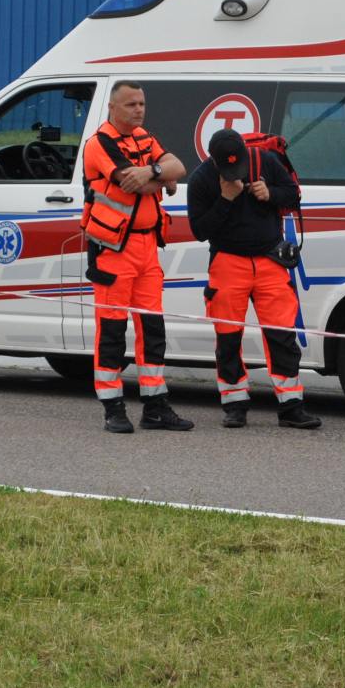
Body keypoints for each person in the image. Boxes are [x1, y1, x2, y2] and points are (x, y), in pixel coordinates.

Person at [186, 128, 321, 431]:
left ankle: (291, 406)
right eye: (228, 170)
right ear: (214, 161)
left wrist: (270, 193)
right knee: (228, 337)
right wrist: (225, 199)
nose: (236, 174)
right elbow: (199, 231)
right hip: (227, 261)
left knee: (282, 335)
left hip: (269, 260)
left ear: (246, 153)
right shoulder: (201, 180)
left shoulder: (265, 160)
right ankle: (234, 405)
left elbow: (293, 195)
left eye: (240, 167)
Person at [80, 81, 193, 434]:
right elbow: (134, 184)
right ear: (112, 108)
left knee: (152, 329)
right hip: (113, 251)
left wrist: (155, 172)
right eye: (131, 104)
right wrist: (161, 178)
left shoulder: (144, 137)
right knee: (112, 331)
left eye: (141, 103)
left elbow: (179, 167)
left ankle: (155, 406)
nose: (139, 109)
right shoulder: (100, 143)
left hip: (147, 248)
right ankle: (112, 407)